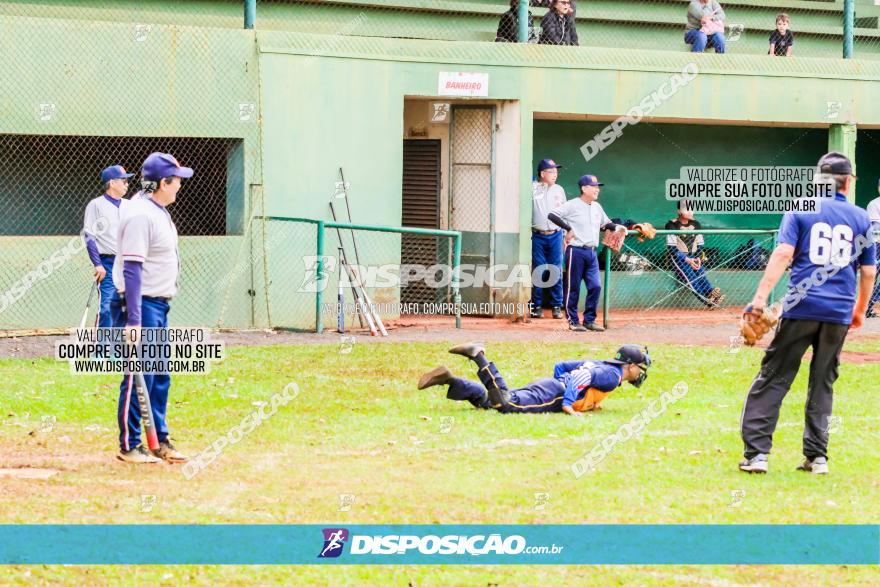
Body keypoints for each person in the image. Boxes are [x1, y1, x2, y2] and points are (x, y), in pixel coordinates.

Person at [738, 152, 876, 475]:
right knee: (823, 382)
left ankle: (757, 455)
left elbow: (784, 253)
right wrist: (859, 310)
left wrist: (759, 299)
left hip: (801, 306)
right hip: (839, 311)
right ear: (849, 181)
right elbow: (868, 271)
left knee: (774, 377)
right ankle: (817, 458)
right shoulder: (861, 217)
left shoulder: (801, 207)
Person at [111, 152, 193, 464]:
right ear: (161, 183)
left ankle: (158, 439)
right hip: (139, 305)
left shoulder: (157, 211)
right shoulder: (140, 214)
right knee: (138, 373)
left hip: (157, 304)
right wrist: (133, 321)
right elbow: (132, 268)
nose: (179, 186)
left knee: (159, 374)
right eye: (176, 181)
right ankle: (131, 445)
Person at [417, 342, 651, 415]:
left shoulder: (605, 366)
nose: (641, 373)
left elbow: (562, 366)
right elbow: (583, 375)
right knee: (505, 404)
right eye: (640, 367)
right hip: (554, 393)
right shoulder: (613, 376)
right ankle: (479, 356)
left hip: (549, 386)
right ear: (629, 366)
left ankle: (449, 379)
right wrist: (568, 403)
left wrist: (584, 398)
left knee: (490, 402)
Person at [548, 174, 626, 331]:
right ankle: (573, 321)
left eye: (598, 186)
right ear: (584, 188)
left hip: (591, 252)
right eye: (594, 186)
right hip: (575, 250)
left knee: (595, 286)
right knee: (574, 287)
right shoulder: (573, 204)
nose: (597, 189)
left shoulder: (597, 207)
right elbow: (552, 215)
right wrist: (568, 228)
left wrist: (619, 228)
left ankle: (589, 320)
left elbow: (606, 224)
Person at [83, 165, 134, 328]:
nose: (127, 184)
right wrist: (97, 264)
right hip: (107, 263)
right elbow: (89, 236)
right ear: (112, 183)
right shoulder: (96, 205)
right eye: (124, 180)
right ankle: (101, 350)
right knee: (106, 308)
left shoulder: (129, 205)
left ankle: (116, 351)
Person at [665, 199, 725, 308]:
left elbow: (700, 244)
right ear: (679, 211)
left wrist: (697, 257)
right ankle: (707, 301)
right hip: (679, 258)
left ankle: (712, 294)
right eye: (686, 209)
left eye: (692, 209)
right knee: (692, 279)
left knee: (701, 275)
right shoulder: (671, 225)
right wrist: (687, 260)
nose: (690, 211)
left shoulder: (696, 224)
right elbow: (672, 249)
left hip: (693, 256)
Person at [531, 159, 567, 320]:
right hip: (537, 234)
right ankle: (536, 306)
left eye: (556, 171)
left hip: (556, 234)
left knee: (556, 270)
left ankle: (556, 306)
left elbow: (564, 213)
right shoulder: (532, 188)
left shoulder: (559, 189)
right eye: (551, 171)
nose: (555, 174)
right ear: (542, 174)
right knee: (539, 270)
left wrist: (566, 236)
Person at [866, 179, 880, 317]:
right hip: (877, 245)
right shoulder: (874, 204)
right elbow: (876, 228)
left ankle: (874, 300)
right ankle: (868, 307)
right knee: (873, 275)